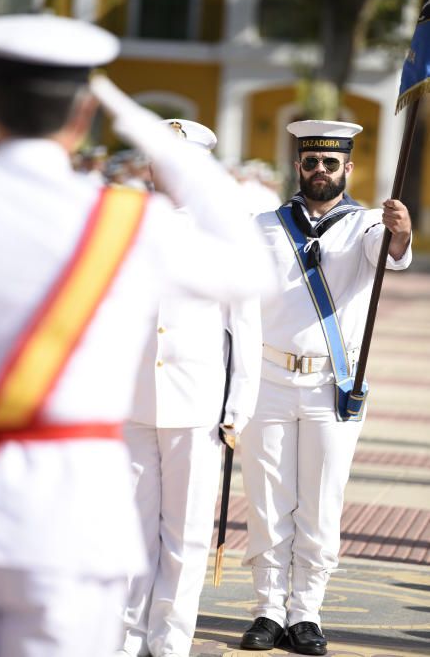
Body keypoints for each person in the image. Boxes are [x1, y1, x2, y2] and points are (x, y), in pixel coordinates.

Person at [0, 13, 273, 657]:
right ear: (84, 116)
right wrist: (146, 133)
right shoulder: (123, 225)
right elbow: (252, 269)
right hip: (72, 522)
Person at [239, 120, 412, 656]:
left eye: (330, 163)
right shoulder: (262, 225)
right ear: (298, 166)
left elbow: (389, 253)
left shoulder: (365, 225)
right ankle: (268, 609)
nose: (320, 171)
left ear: (348, 169)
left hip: (331, 384)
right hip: (266, 378)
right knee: (268, 502)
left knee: (320, 504)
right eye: (311, 161)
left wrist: (402, 230)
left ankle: (306, 611)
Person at [118, 119, 262, 657]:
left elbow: (245, 326)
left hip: (197, 402)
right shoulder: (125, 224)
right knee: (131, 531)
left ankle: (170, 640)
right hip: (130, 401)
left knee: (185, 533)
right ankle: (124, 637)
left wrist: (238, 406)